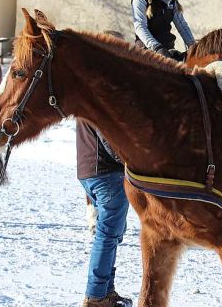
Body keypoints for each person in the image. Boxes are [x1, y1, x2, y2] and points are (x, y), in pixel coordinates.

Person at [76, 117, 132, 307]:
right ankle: (96, 296)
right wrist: (129, 158)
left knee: (113, 233)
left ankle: (106, 291)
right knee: (108, 235)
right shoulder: (96, 95)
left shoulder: (85, 95)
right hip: (106, 173)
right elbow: (108, 137)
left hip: (90, 170)